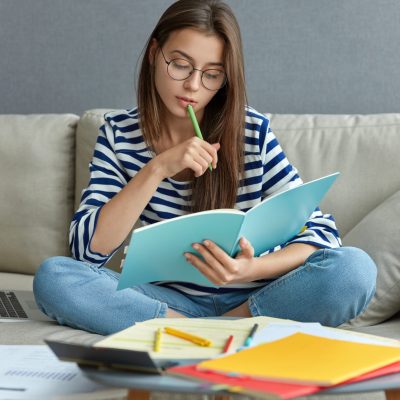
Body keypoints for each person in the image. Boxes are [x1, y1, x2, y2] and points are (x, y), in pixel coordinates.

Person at [33, 0, 377, 336]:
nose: (193, 86)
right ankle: (205, 331)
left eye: (212, 74)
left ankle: (208, 332)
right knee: (55, 278)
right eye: (180, 65)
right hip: (165, 301)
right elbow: (86, 251)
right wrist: (156, 169)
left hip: (256, 296)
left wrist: (248, 269)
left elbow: (321, 234)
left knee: (354, 270)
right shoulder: (119, 133)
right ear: (155, 53)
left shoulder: (251, 131)